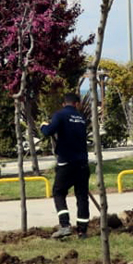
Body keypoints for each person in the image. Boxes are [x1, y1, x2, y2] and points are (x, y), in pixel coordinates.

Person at [40, 91, 91, 238]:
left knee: (58, 192)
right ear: (77, 104)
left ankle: (65, 225)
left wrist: (43, 125)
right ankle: (82, 231)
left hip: (66, 163)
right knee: (82, 196)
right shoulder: (81, 118)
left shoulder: (60, 115)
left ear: (64, 104)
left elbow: (48, 131)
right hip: (82, 163)